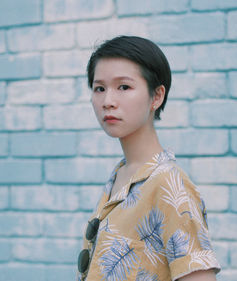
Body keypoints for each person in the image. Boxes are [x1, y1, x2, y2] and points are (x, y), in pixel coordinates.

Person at [77, 36, 221, 281]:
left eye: (124, 87)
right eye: (99, 88)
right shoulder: (121, 174)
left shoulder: (170, 185)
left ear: (157, 96)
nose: (108, 102)